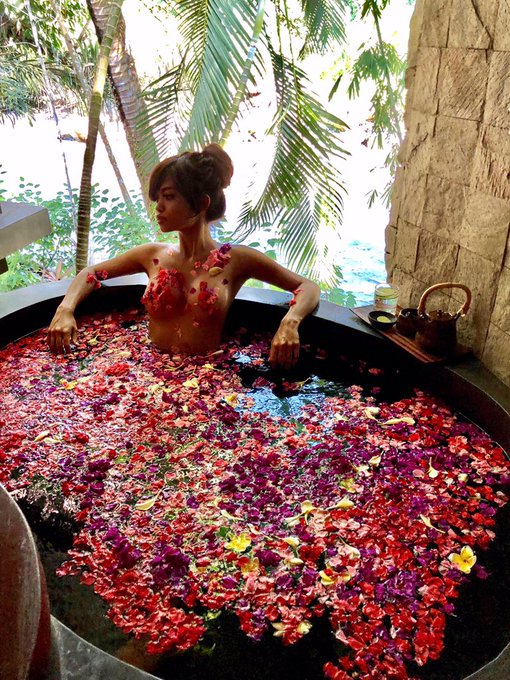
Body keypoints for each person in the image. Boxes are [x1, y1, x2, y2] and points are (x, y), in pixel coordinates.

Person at [47, 144, 320, 369]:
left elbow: (307, 287)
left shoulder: (237, 260)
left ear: (201, 204)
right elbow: (92, 273)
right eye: (157, 199)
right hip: (147, 373)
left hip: (208, 379)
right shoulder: (151, 255)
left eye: (168, 197)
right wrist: (65, 309)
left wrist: (289, 323)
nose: (159, 207)